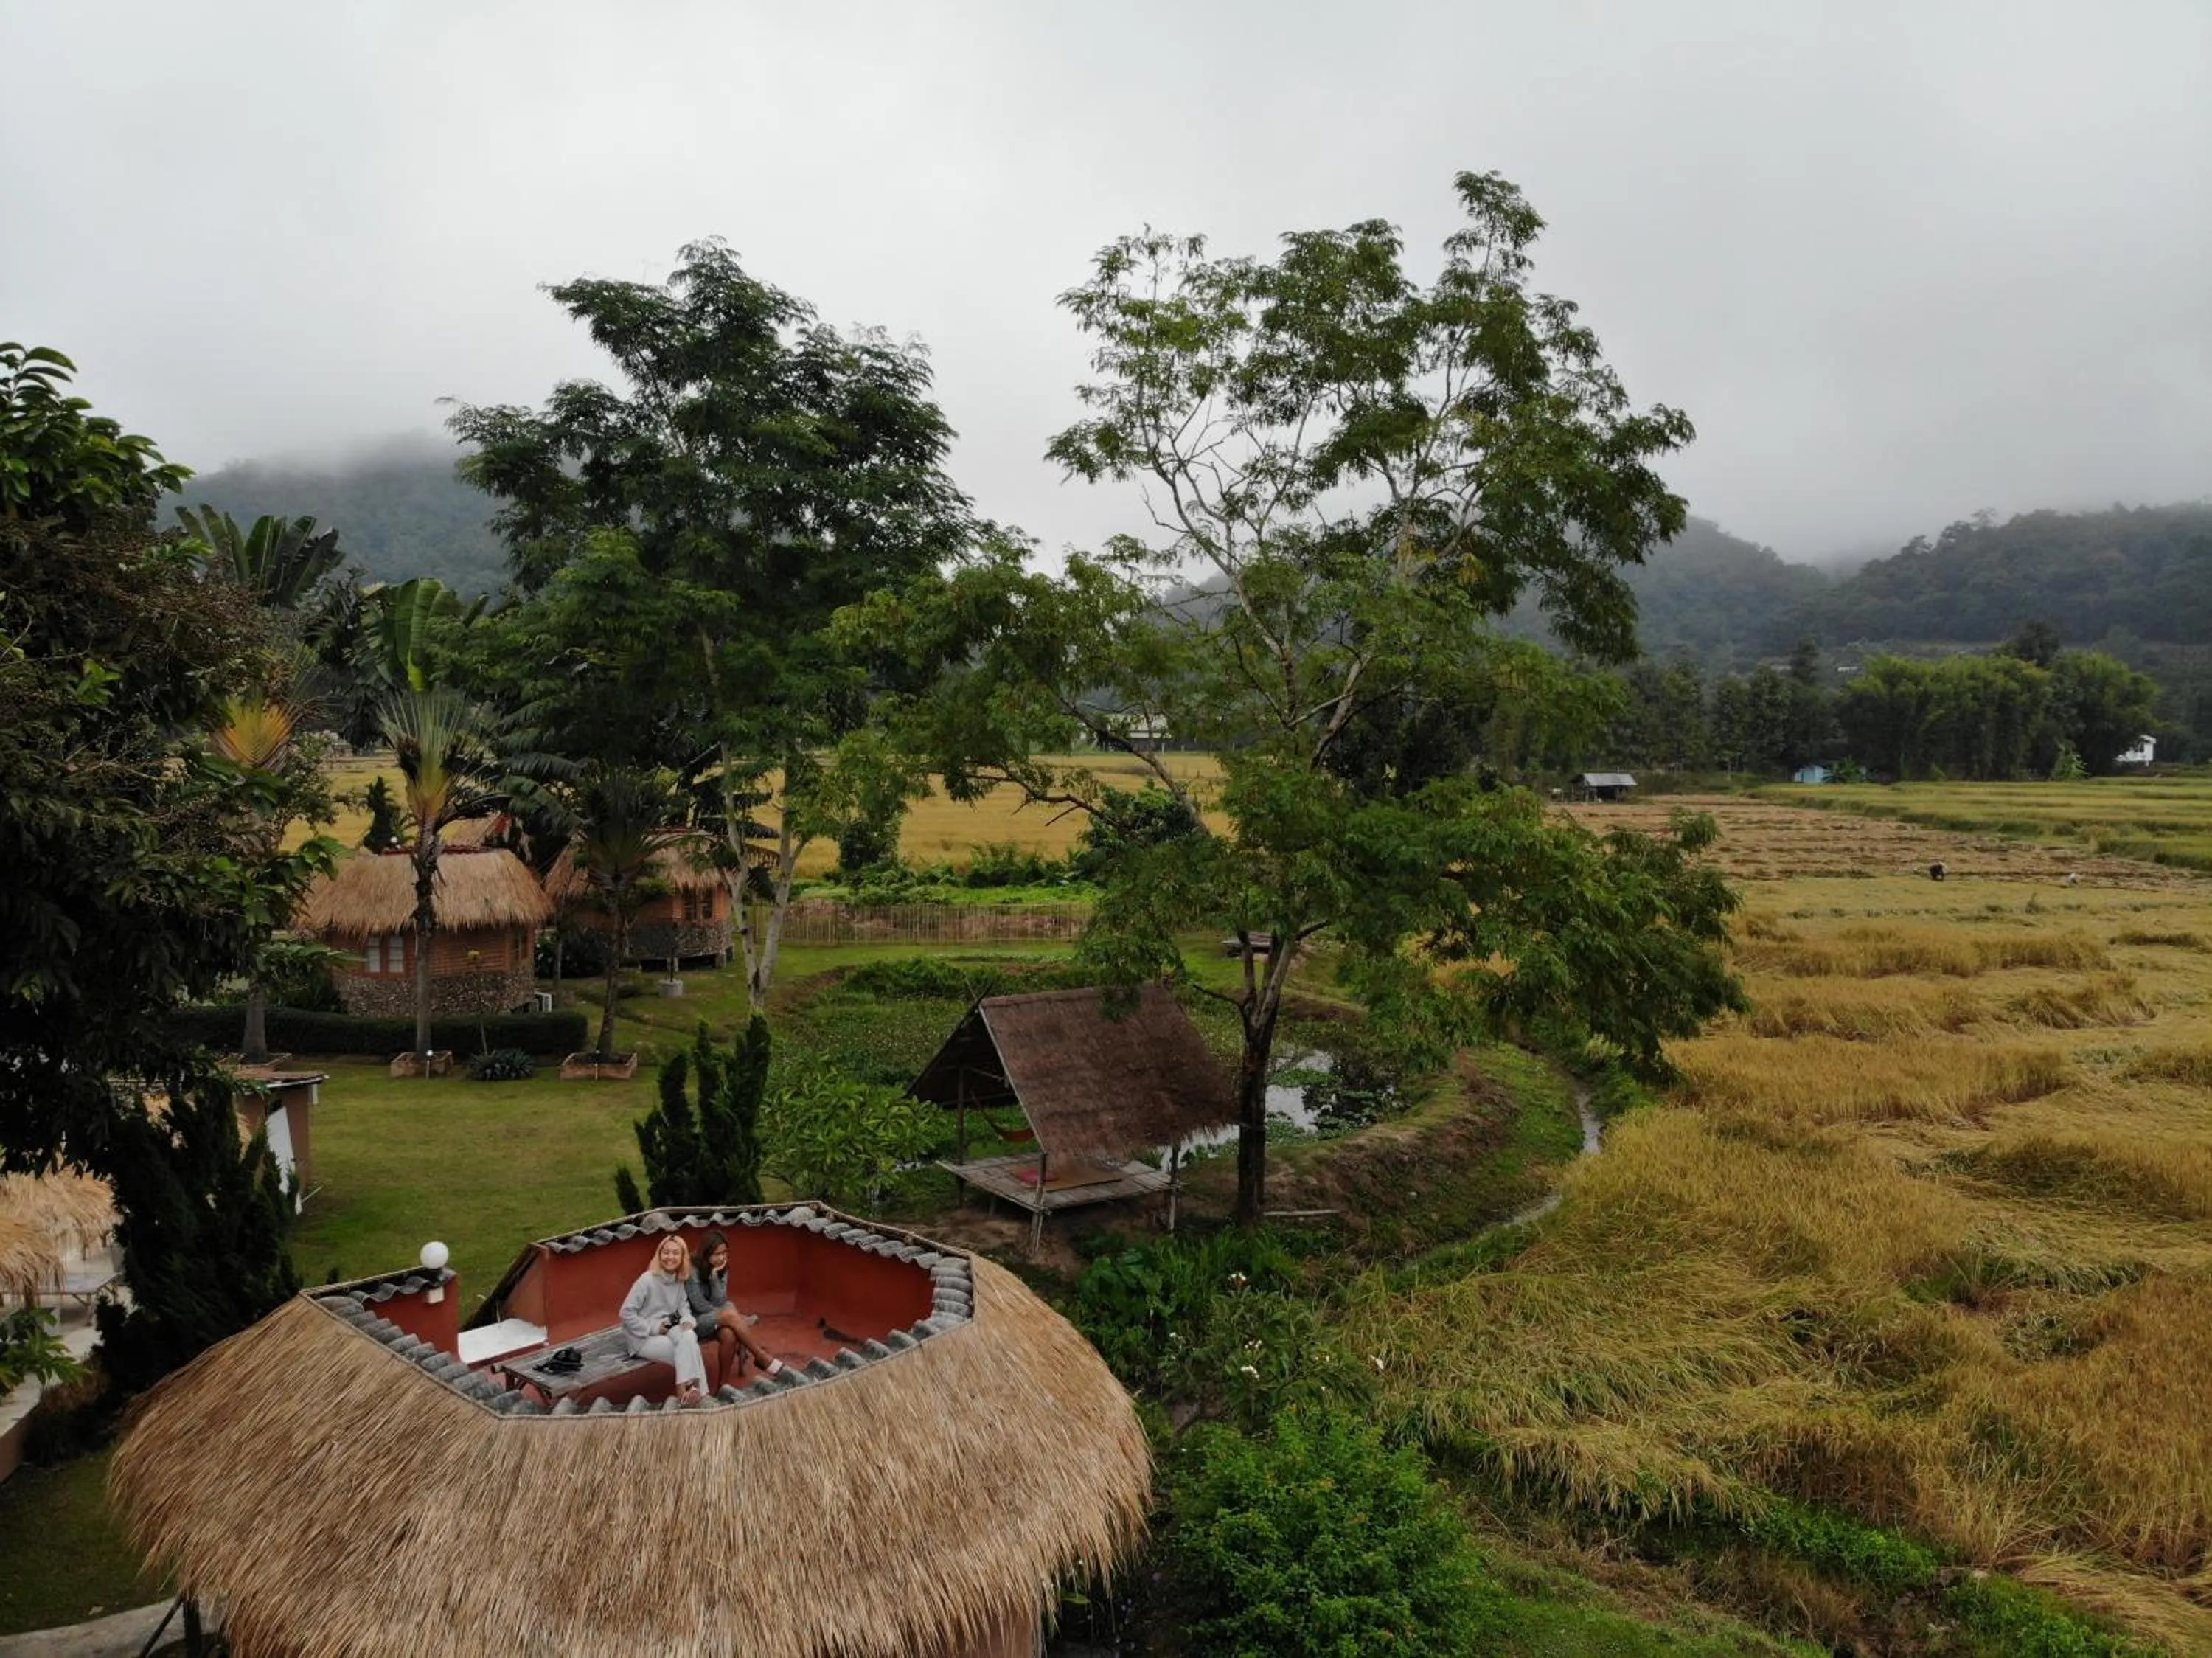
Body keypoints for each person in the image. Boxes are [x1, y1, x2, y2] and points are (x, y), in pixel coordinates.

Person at [621, 1234, 709, 1404]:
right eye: (666, 1252)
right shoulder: (646, 1280)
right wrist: (653, 1328)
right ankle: (694, 1393)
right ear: (659, 1254)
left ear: (683, 1257)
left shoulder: (679, 1280)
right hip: (641, 1336)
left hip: (667, 1329)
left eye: (676, 1253)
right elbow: (626, 1313)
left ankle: (687, 1392)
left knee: (689, 1337)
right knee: (690, 1349)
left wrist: (687, 1321)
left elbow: (684, 1307)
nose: (670, 1257)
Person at [689, 1230, 785, 1384]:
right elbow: (700, 1307)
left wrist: (714, 1277)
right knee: (730, 1314)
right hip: (693, 1322)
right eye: (716, 1254)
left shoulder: (722, 1268)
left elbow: (720, 1300)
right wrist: (727, 1317)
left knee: (729, 1334)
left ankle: (723, 1386)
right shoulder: (691, 1269)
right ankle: (761, 1356)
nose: (721, 1258)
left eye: (724, 1253)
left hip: (714, 1318)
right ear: (705, 1253)